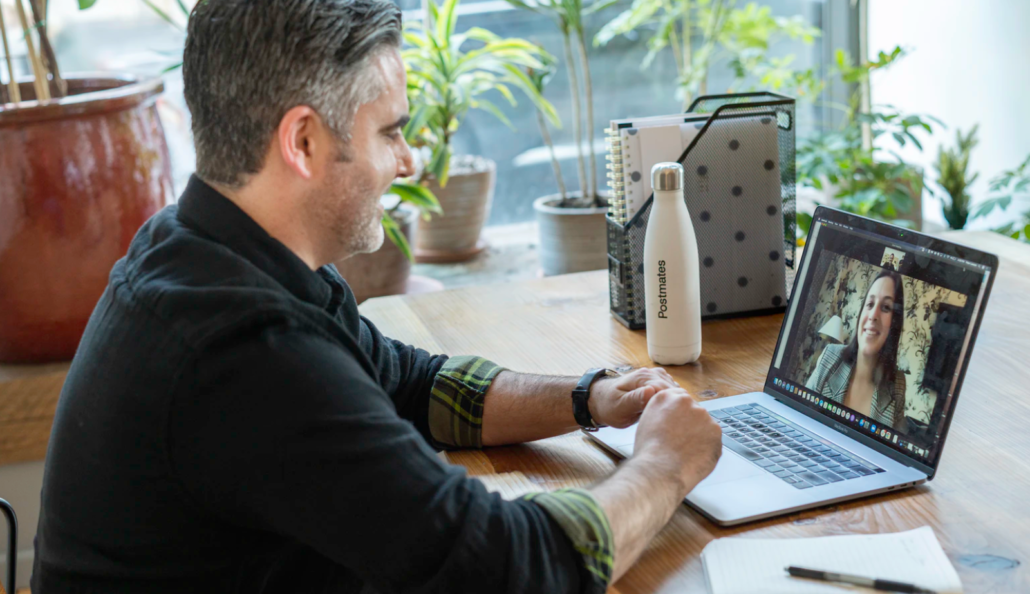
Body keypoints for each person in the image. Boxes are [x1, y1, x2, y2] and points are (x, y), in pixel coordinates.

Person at [30, 1, 722, 593]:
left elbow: (411, 384)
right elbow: (509, 571)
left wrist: (590, 397)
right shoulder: (246, 352)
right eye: (390, 130)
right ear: (303, 140)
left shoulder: (209, 246)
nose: (409, 159)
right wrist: (667, 464)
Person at [806, 270, 907, 428]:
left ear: (894, 323)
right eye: (870, 304)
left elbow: (893, 448)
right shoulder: (830, 356)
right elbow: (799, 412)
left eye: (886, 307)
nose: (873, 315)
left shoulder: (898, 385)